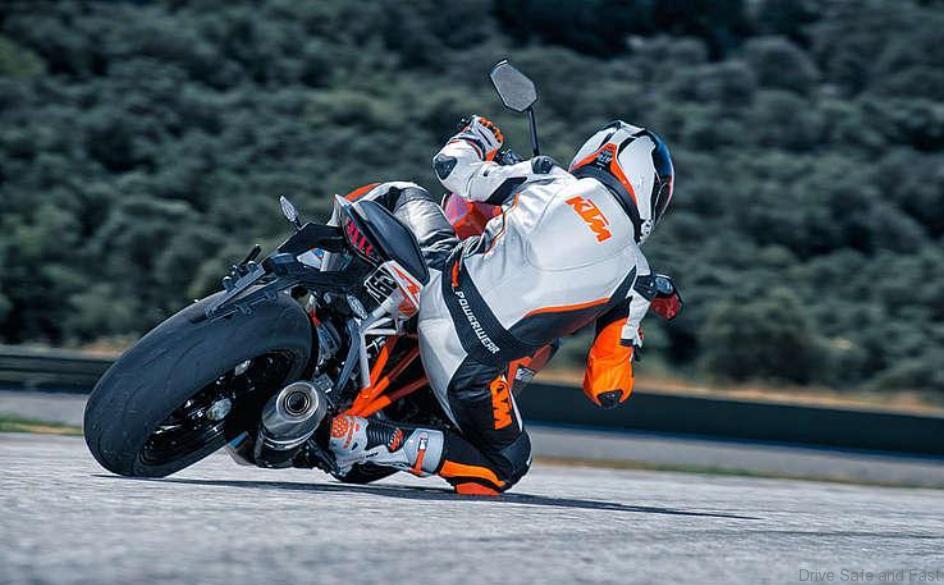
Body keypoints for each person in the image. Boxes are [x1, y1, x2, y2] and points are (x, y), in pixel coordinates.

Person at [327, 117, 675, 495]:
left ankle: (316, 281)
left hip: (436, 283)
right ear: (650, 192)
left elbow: (452, 168)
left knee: (398, 193)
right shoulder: (637, 278)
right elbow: (607, 390)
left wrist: (476, 135)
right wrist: (630, 338)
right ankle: (371, 438)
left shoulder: (547, 176)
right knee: (506, 464)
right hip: (468, 363)